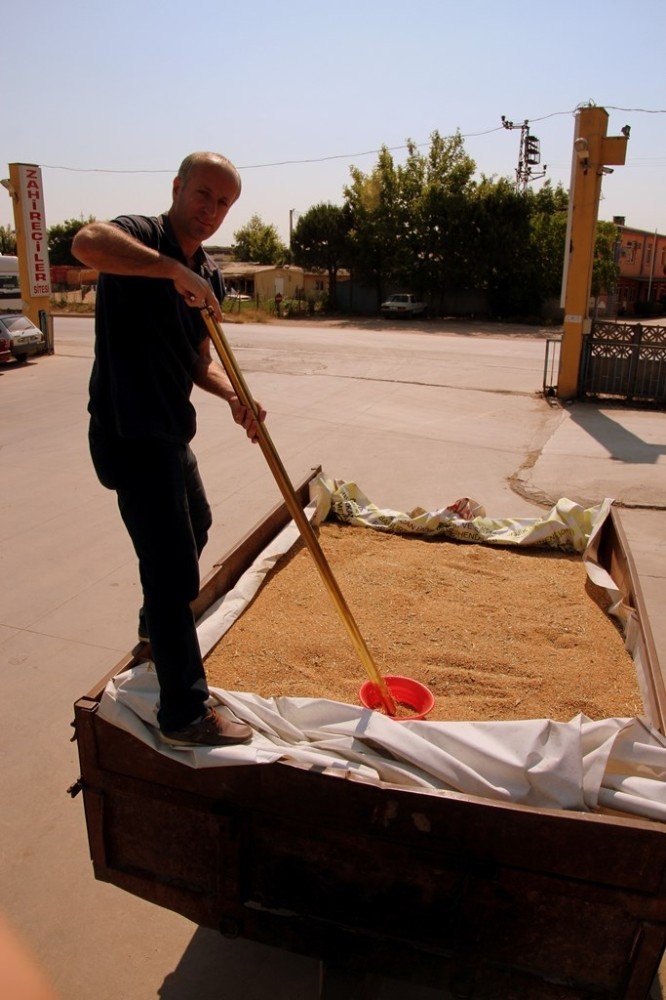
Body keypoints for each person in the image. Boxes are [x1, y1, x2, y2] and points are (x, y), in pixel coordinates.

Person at [73, 151, 265, 748]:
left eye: (224, 203)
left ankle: (154, 629)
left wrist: (234, 396)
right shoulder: (141, 236)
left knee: (197, 525)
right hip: (129, 433)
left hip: (170, 432)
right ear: (178, 187)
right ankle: (184, 713)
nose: (211, 210)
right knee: (173, 568)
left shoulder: (210, 274)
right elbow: (85, 243)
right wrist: (170, 271)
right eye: (204, 194)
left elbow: (198, 363)